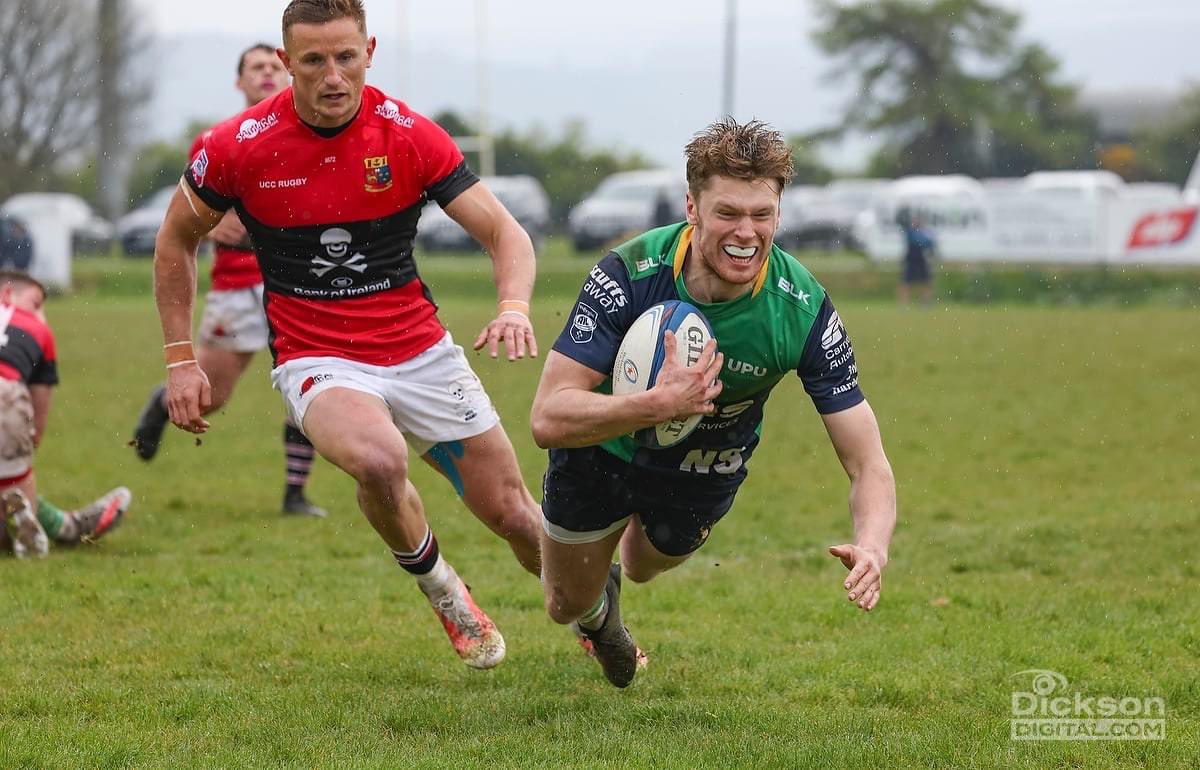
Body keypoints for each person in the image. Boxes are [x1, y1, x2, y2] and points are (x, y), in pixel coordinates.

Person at [152, 0, 542, 670]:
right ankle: (446, 592)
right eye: (313, 61)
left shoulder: (411, 137)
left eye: (345, 58)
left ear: (370, 52)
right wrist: (181, 359)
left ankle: (599, 616)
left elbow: (505, 232)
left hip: (421, 351)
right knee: (379, 459)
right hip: (317, 358)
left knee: (515, 517)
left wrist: (514, 305)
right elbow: (175, 240)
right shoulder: (237, 147)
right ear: (285, 64)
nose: (332, 76)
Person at [530, 118, 897, 688]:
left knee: (646, 565)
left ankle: (615, 566)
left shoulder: (801, 312)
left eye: (762, 215)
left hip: (705, 460)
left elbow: (867, 460)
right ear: (692, 208)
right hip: (600, 445)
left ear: (779, 213)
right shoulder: (627, 274)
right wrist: (656, 403)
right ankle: (601, 618)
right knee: (564, 603)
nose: (745, 233)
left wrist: (873, 546)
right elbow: (548, 417)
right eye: (727, 213)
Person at [132, 43, 329, 519]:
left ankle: (294, 493)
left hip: (302, 284)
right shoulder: (216, 140)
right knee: (212, 395)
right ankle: (160, 407)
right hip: (237, 285)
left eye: (271, 66)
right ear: (239, 83)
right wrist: (213, 222)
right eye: (253, 68)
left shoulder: (320, 137)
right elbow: (182, 219)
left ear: (287, 74)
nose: (265, 73)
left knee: (316, 386)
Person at [0, 270, 131, 558]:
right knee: (15, 491)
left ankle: (62, 524)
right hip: (6, 395)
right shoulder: (38, 329)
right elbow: (40, 398)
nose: (42, 314)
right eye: (36, 303)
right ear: (7, 294)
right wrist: (33, 438)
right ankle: (57, 525)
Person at [897, 209, 936, 306]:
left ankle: (926, 303)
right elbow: (920, 241)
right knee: (905, 283)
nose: (916, 222)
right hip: (911, 261)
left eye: (917, 221)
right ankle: (904, 303)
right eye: (914, 221)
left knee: (926, 282)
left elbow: (929, 244)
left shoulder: (924, 232)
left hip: (921, 261)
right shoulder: (910, 232)